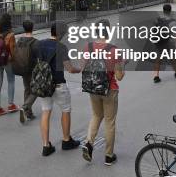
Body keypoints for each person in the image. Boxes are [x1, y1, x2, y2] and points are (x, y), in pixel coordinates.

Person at [80, 20, 125, 166]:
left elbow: (83, 67)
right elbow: (119, 76)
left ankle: (88, 143)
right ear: (108, 31)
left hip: (93, 88)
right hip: (109, 90)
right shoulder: (114, 50)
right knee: (109, 121)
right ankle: (108, 156)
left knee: (96, 115)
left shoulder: (88, 47)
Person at [38, 22, 81, 156]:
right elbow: (69, 68)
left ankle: (46, 146)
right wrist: (79, 69)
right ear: (61, 33)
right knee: (66, 110)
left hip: (44, 84)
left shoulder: (40, 44)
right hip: (59, 85)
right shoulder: (62, 47)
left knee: (46, 112)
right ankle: (66, 140)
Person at [0, 13, 18, 116]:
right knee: (11, 81)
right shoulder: (11, 35)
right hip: (7, 61)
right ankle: (11, 105)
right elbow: (12, 50)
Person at [14, 20, 39, 123]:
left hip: (22, 68)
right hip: (32, 69)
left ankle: (28, 113)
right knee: (36, 89)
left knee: (27, 89)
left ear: (24, 28)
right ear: (32, 28)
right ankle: (25, 107)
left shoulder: (19, 40)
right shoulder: (35, 42)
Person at [153, 4, 176, 83]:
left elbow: (154, 30)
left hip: (159, 42)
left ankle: (156, 76)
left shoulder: (157, 19)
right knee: (173, 57)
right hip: (168, 43)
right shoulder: (173, 21)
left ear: (163, 11)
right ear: (170, 11)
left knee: (158, 59)